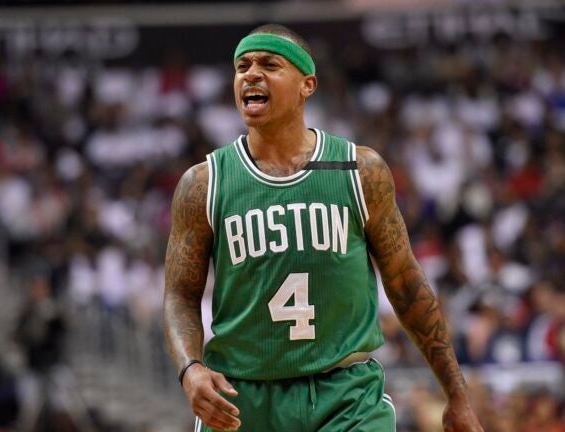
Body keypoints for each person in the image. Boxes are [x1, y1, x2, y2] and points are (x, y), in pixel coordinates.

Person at [164, 23, 483, 432]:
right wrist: (190, 368)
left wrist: (456, 394)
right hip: (242, 398)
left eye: (269, 64)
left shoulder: (359, 170)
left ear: (307, 84)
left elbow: (406, 285)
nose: (251, 74)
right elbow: (179, 294)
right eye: (242, 66)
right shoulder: (204, 183)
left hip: (345, 395)